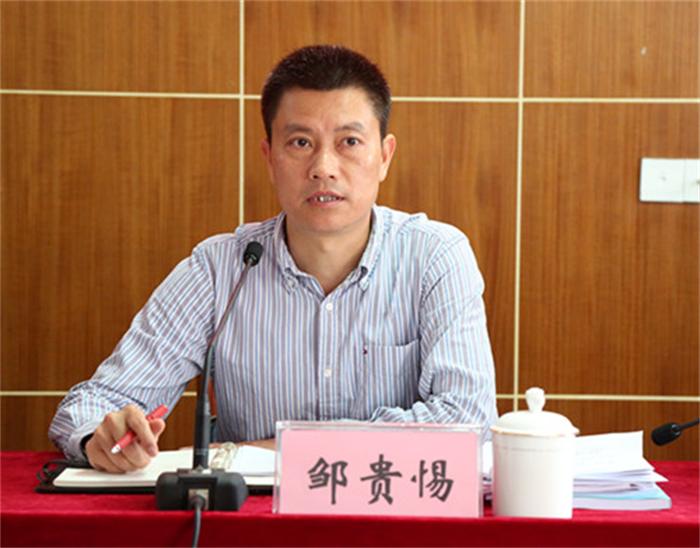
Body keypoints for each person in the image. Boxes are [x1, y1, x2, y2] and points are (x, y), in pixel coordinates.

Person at [49, 45, 498, 473]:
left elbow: (469, 421)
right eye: (301, 142)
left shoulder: (435, 257)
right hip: (255, 515)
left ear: (384, 156)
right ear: (269, 158)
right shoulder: (220, 269)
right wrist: (100, 437)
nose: (323, 167)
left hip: (392, 508)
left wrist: (273, 450)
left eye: (349, 142)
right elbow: (91, 404)